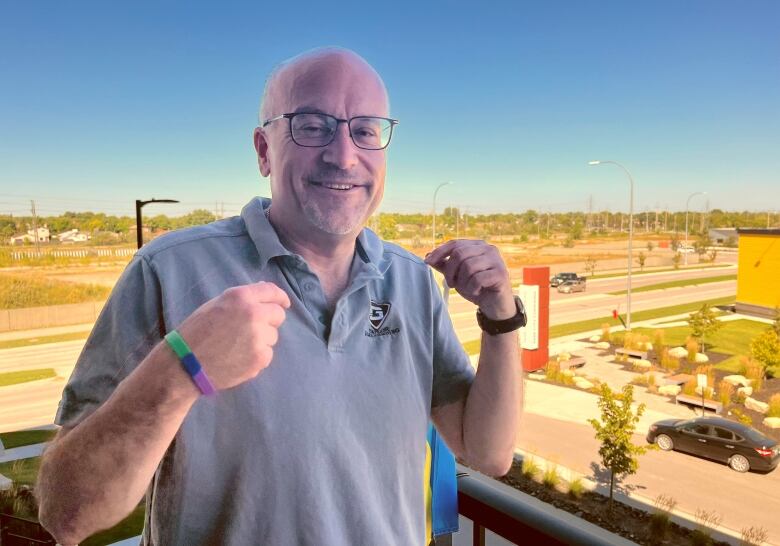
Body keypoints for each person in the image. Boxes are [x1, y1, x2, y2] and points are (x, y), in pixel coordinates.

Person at [37, 47, 522, 546]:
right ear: (264, 151)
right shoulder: (170, 269)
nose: (343, 154)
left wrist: (501, 316)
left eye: (365, 129)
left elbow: (487, 452)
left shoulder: (412, 282)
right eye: (312, 125)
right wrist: (181, 370)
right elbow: (65, 513)